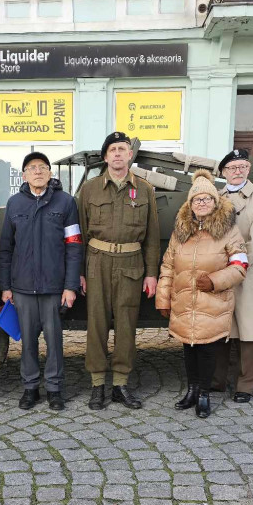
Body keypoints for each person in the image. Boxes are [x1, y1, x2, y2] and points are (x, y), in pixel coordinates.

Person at [76, 131, 159, 410]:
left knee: (126, 326)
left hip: (131, 265)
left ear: (130, 154)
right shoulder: (89, 189)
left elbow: (151, 236)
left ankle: (120, 384)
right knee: (96, 325)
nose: (118, 154)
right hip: (98, 262)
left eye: (122, 149)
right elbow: (79, 234)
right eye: (112, 149)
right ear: (105, 157)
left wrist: (151, 274)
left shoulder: (145, 190)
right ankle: (97, 384)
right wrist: (80, 272)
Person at [156, 171, 248, 418]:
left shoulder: (229, 231)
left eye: (207, 198)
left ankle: (204, 394)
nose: (202, 203)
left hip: (213, 300)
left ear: (215, 202)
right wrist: (163, 298)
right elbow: (167, 266)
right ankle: (192, 390)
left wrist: (215, 281)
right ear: (190, 204)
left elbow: (240, 266)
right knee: (189, 347)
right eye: (197, 199)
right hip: (185, 301)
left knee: (207, 350)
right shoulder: (180, 232)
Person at [0, 152, 83, 411]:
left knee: (55, 340)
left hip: (54, 287)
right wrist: (5, 287)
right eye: (32, 168)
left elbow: (74, 246)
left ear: (50, 173)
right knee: (28, 341)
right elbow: (5, 248)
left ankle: (55, 389)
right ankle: (30, 387)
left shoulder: (66, 203)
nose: (38, 172)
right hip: (22, 287)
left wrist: (70, 286)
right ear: (24, 175)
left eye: (43, 167)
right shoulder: (14, 204)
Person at [216, 148, 253, 403]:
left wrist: (236, 263)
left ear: (249, 169)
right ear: (223, 172)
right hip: (220, 270)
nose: (237, 172)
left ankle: (246, 385)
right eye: (232, 168)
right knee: (222, 327)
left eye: (242, 167)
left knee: (249, 329)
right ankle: (217, 380)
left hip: (249, 270)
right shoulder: (215, 198)